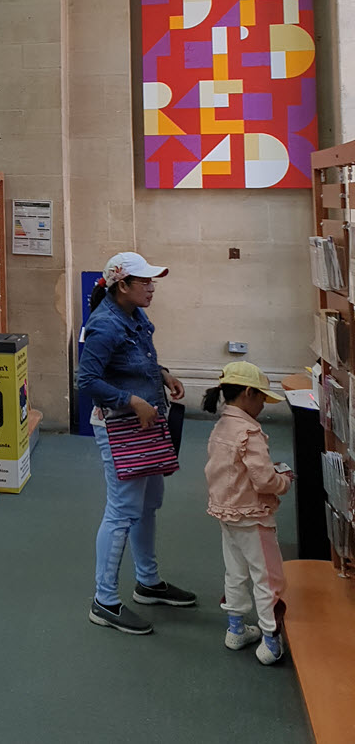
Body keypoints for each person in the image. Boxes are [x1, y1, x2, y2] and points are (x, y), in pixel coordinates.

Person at [77, 251, 196, 635]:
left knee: (147, 504)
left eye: (151, 281)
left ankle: (148, 582)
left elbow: (132, 360)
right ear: (121, 285)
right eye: (144, 281)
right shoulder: (104, 325)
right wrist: (131, 400)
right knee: (123, 511)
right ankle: (104, 601)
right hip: (120, 427)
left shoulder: (134, 315)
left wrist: (161, 374)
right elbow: (87, 380)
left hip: (144, 425)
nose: (151, 287)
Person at [203, 361, 293, 665]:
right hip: (254, 517)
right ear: (247, 393)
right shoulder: (249, 432)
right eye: (261, 398)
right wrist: (284, 481)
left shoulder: (221, 426)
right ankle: (270, 641)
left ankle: (236, 629)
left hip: (226, 513)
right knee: (268, 577)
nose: (263, 406)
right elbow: (264, 480)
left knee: (235, 571)